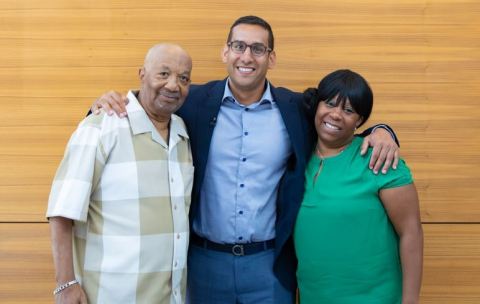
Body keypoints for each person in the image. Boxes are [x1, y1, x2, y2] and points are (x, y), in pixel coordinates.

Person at [91, 16, 400, 304]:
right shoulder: (194, 100)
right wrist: (103, 106)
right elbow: (149, 101)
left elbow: (335, 123)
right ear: (225, 52)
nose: (247, 57)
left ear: (271, 57)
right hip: (203, 261)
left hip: (268, 264)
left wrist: (382, 131)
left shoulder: (293, 108)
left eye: (258, 49)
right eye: (239, 46)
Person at [46, 43, 194, 304]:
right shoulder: (102, 126)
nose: (173, 85)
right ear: (142, 74)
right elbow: (62, 210)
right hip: (110, 295)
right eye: (163, 74)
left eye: (183, 78)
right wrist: (65, 285)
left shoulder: (183, 132)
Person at [294, 69, 423, 304]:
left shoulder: (379, 159)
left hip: (375, 297)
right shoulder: (298, 157)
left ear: (360, 121)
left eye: (348, 110)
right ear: (317, 106)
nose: (335, 115)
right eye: (330, 104)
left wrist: (411, 300)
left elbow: (411, 232)